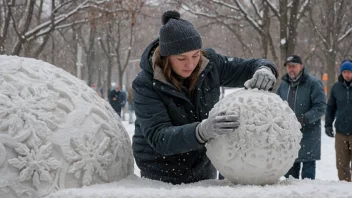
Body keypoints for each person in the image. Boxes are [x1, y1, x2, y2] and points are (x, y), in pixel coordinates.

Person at [132, 10, 278, 184]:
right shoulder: (145, 84)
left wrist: (265, 69)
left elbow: (251, 66)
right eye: (181, 58)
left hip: (203, 166)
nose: (191, 64)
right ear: (166, 57)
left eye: (195, 55)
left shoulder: (210, 64)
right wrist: (201, 131)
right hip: (161, 173)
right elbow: (159, 137)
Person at [276, 55, 326, 180]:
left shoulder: (313, 83)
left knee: (307, 179)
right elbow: (277, 105)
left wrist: (304, 119)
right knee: (290, 179)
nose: (291, 69)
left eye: (293, 66)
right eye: (288, 67)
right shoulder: (283, 85)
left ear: (301, 66)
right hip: (290, 137)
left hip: (309, 135)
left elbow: (320, 107)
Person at [325, 60, 352, 182]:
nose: (347, 74)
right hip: (341, 132)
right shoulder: (336, 88)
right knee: (342, 165)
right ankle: (345, 188)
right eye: (345, 72)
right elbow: (331, 108)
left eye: (349, 72)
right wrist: (328, 125)